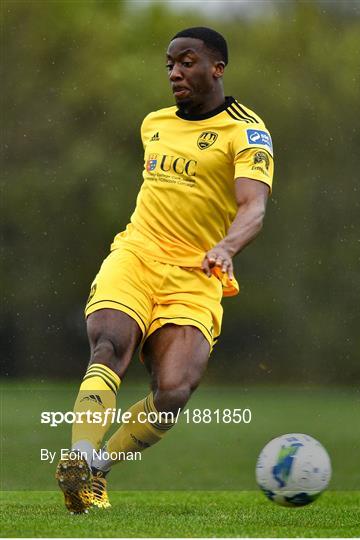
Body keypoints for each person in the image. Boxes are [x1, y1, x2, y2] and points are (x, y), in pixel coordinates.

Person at [56, 26, 274, 514]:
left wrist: (227, 245)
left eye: (188, 61)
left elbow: (253, 207)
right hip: (136, 254)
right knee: (109, 344)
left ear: (217, 68)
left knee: (173, 392)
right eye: (170, 64)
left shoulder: (246, 131)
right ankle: (79, 455)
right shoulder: (153, 123)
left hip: (197, 272)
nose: (175, 72)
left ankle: (97, 470)